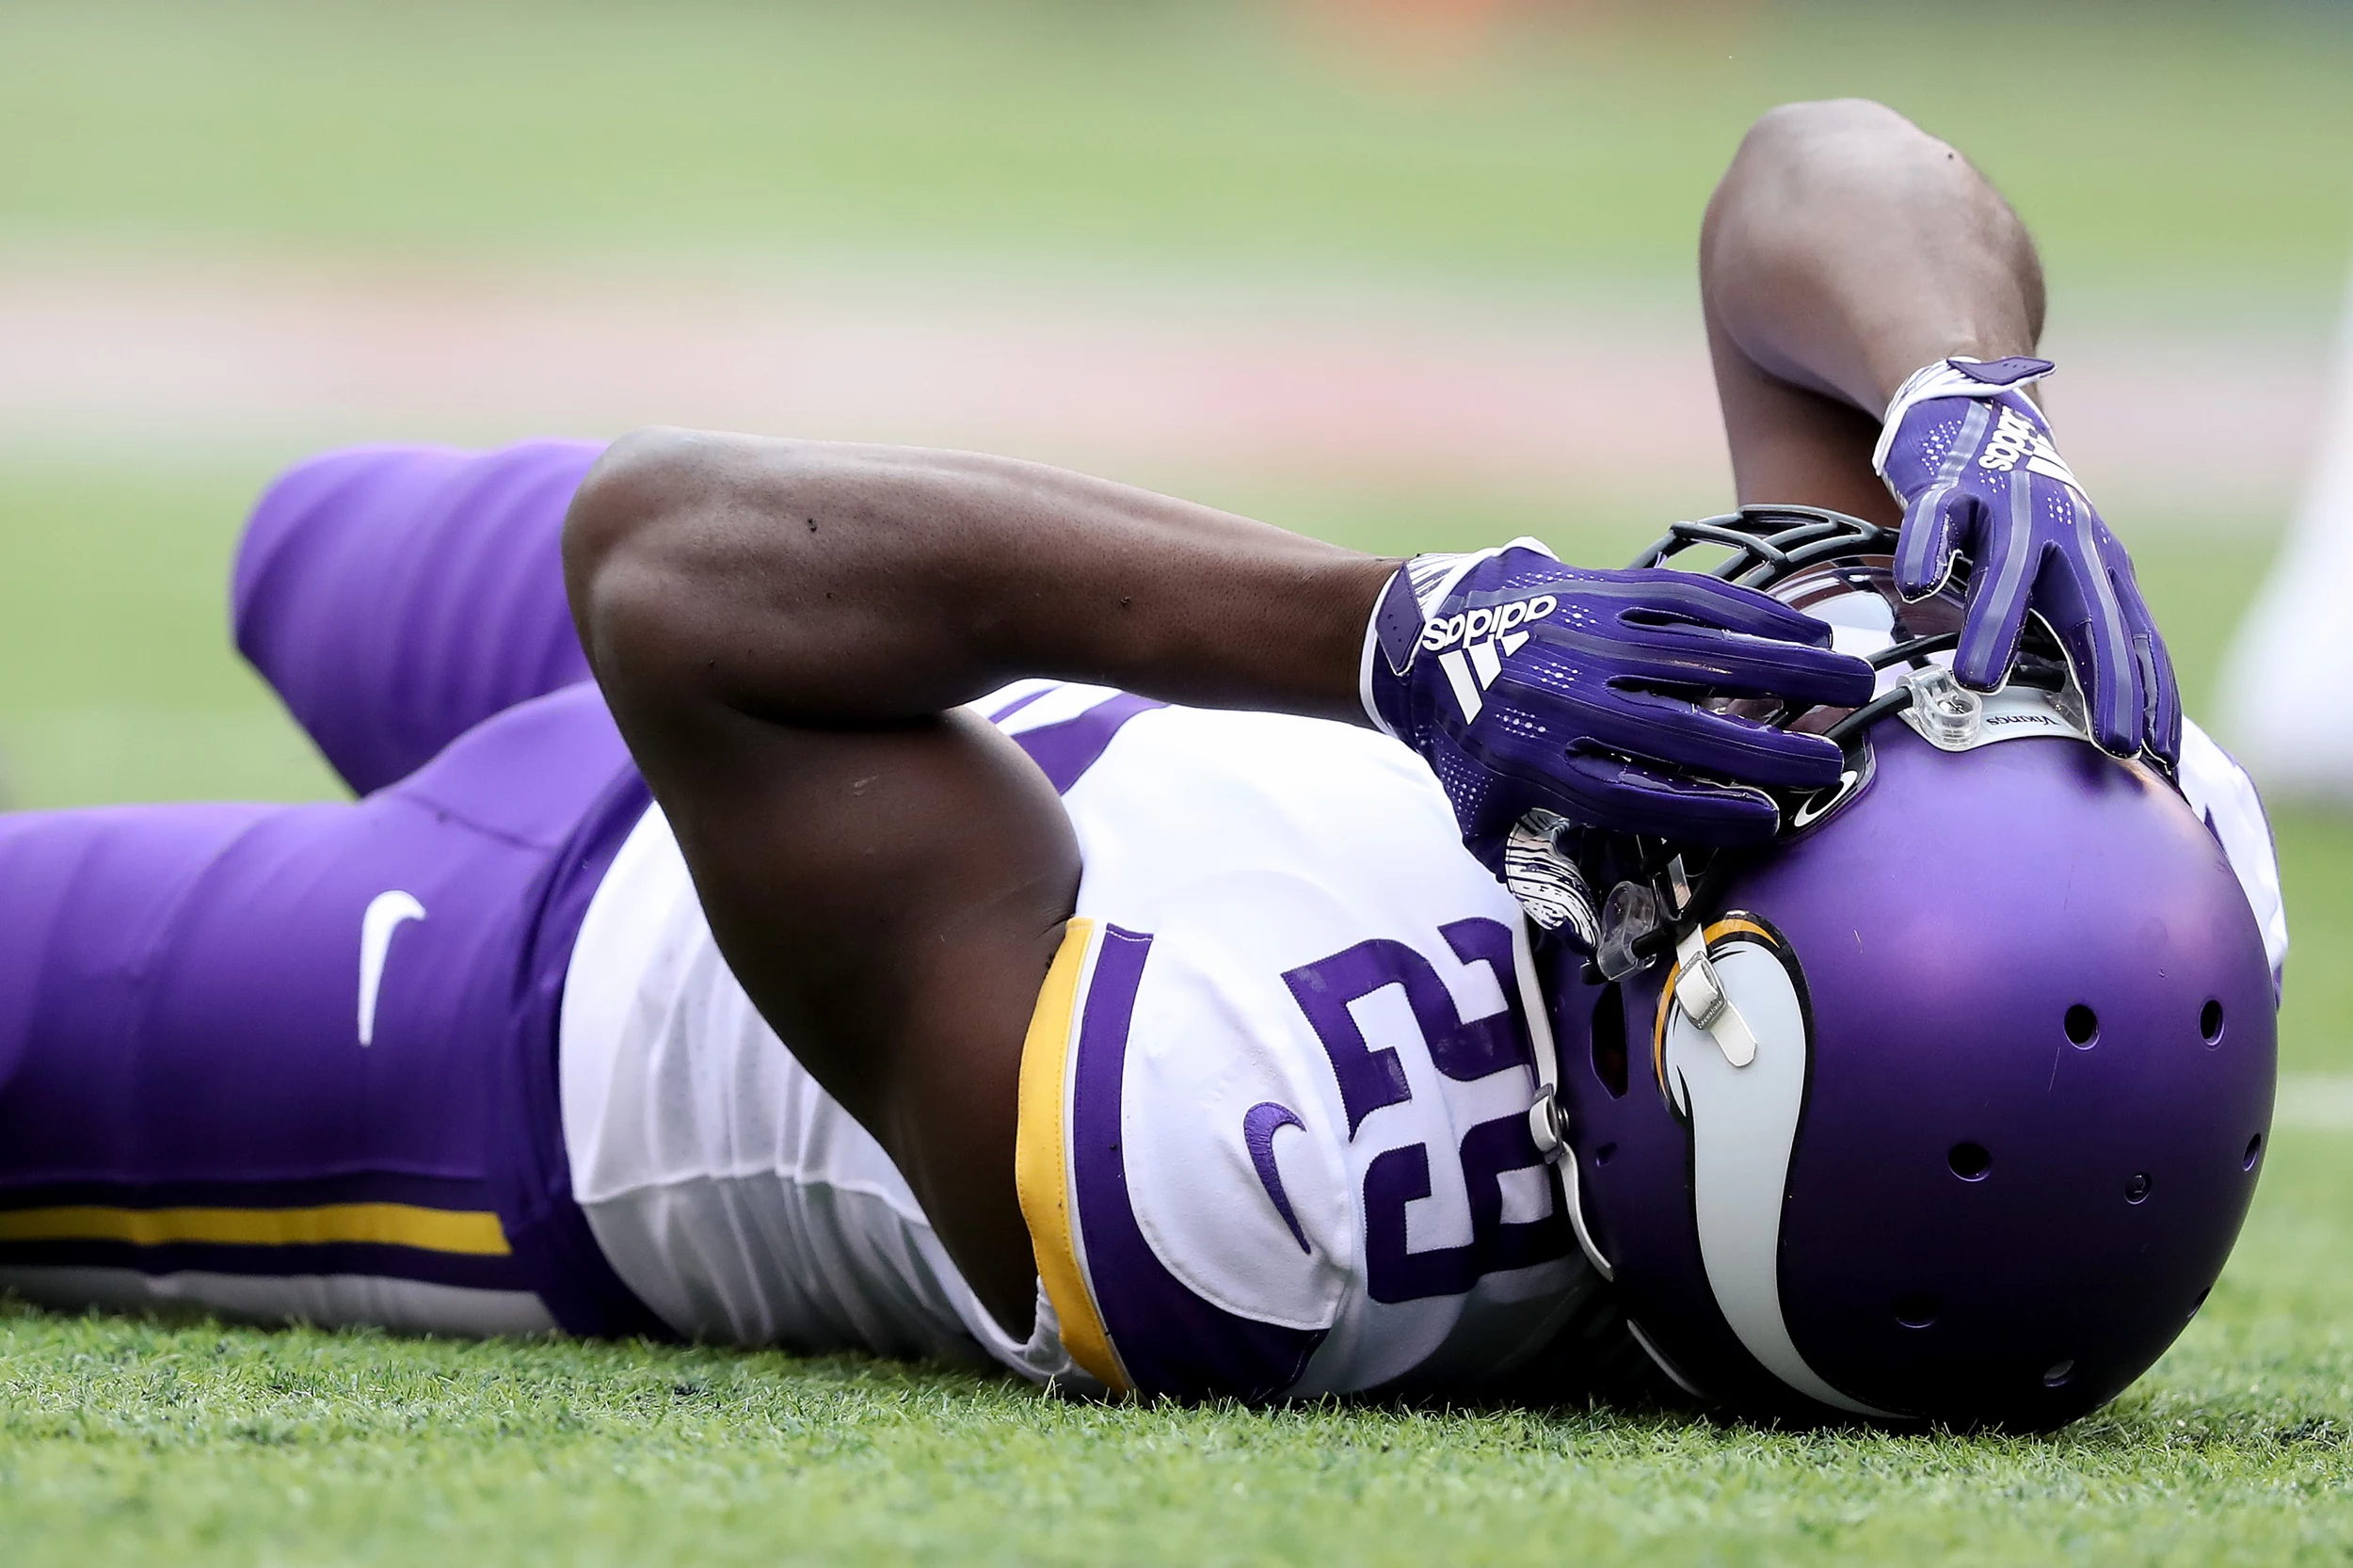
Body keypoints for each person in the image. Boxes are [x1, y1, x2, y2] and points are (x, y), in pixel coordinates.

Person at [0, 101, 2274, 1418]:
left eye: (1755, 800)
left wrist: (1388, 629)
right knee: (295, 536)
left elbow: (674, 577)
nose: (1810, 705)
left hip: (587, 971)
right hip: (990, 678)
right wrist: (1967, 394)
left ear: (1666, 1080)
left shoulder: (1265, 1187)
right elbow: (1821, 168)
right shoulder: (2067, 867)